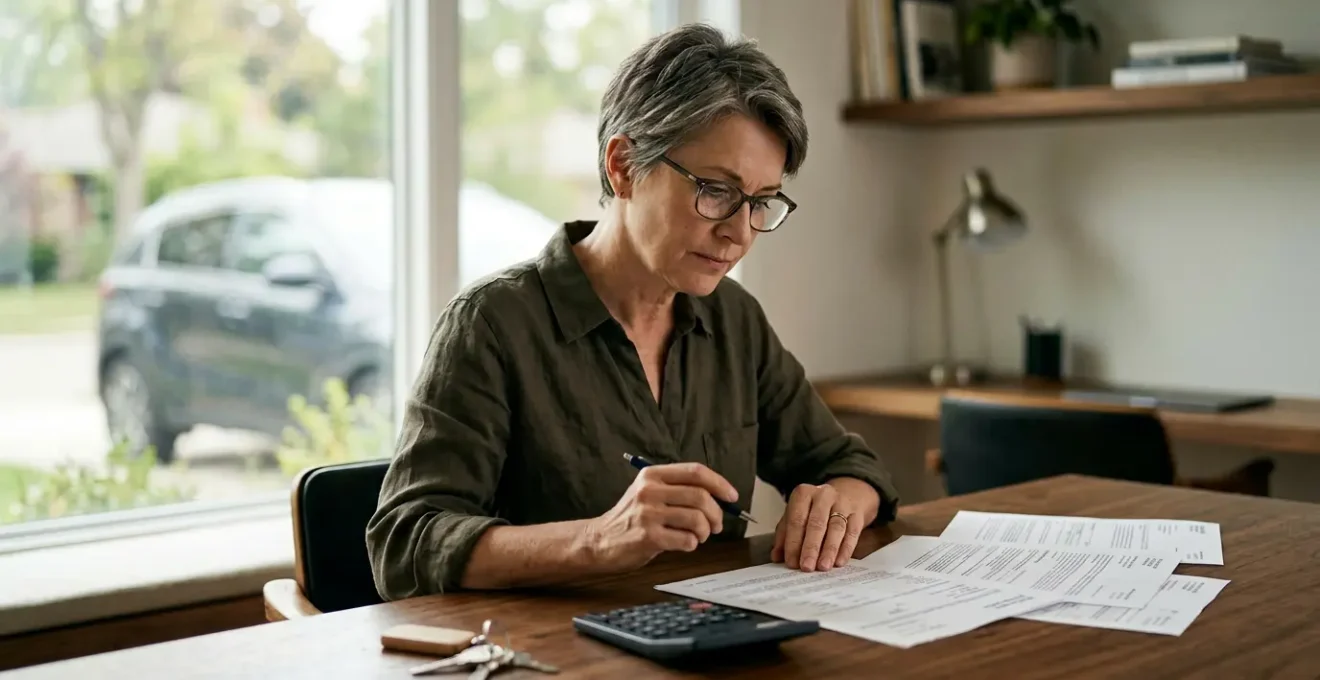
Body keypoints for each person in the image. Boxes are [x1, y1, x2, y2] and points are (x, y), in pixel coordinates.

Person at [366, 23, 899, 600]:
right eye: (716, 191)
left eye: (761, 202)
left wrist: (840, 500)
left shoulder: (733, 318)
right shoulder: (492, 324)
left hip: (714, 641)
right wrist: (598, 539)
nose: (739, 234)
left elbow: (849, 465)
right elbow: (404, 543)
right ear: (622, 166)